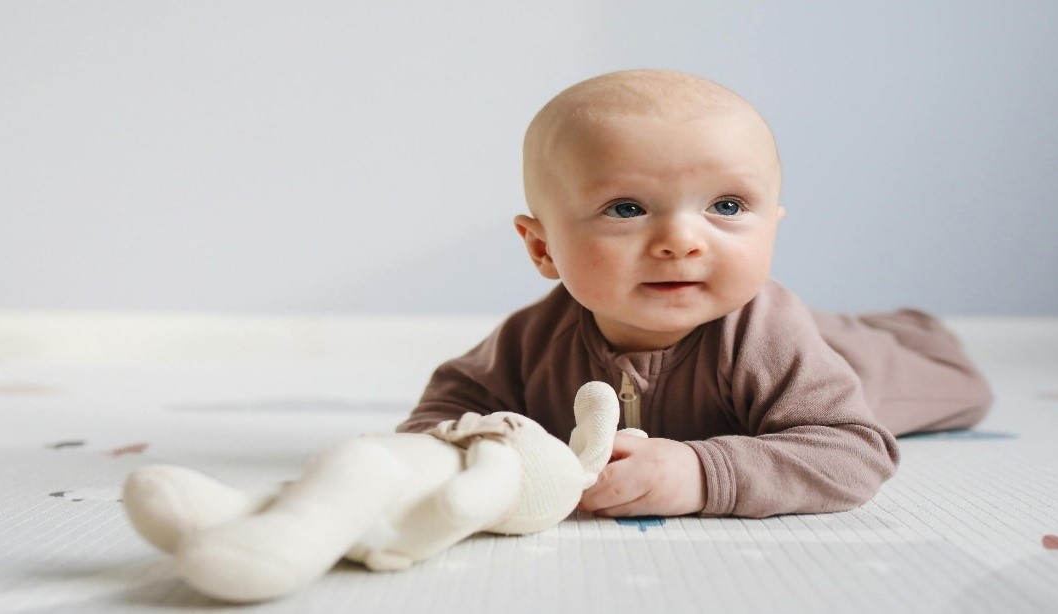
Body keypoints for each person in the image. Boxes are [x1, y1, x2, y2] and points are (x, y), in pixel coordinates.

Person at [396, 69, 992, 519]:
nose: (681, 241)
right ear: (543, 248)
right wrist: (459, 456)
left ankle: (910, 330)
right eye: (626, 208)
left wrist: (703, 473)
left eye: (727, 206)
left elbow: (854, 454)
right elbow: (447, 407)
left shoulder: (765, 336)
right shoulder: (533, 339)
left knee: (954, 384)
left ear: (772, 224)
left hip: (869, 364)